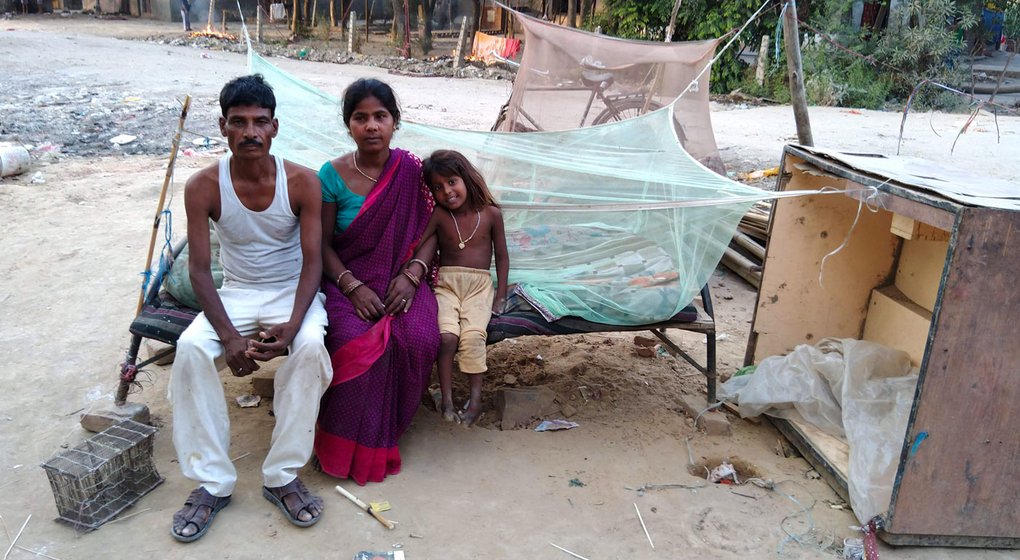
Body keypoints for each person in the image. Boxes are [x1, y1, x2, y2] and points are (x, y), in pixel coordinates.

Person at [169, 74, 332, 542]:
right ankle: (213, 482)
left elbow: (314, 261)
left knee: (308, 350)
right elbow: (201, 272)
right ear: (223, 127)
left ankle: (281, 476)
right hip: (237, 293)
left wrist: (294, 322)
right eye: (238, 122)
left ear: (275, 127)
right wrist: (229, 336)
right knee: (191, 349)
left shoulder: (301, 181)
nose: (250, 132)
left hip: (293, 292)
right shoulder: (204, 186)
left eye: (260, 122)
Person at [315, 78, 440, 485]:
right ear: (348, 124)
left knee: (418, 339)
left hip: (403, 277)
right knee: (357, 343)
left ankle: (386, 432)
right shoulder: (331, 175)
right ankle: (347, 444)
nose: (371, 126)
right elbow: (322, 244)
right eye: (360, 117)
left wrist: (413, 274)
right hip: (347, 280)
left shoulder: (411, 170)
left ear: (395, 122)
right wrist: (351, 286)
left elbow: (431, 230)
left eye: (380, 116)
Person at [409, 150, 508, 425]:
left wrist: (499, 296)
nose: (447, 191)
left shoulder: (491, 214)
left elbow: (502, 256)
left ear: (465, 178)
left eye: (452, 181)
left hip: (479, 287)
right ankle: (448, 401)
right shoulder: (440, 216)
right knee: (447, 337)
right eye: (438, 187)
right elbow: (419, 243)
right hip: (447, 285)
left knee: (474, 337)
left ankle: (475, 400)